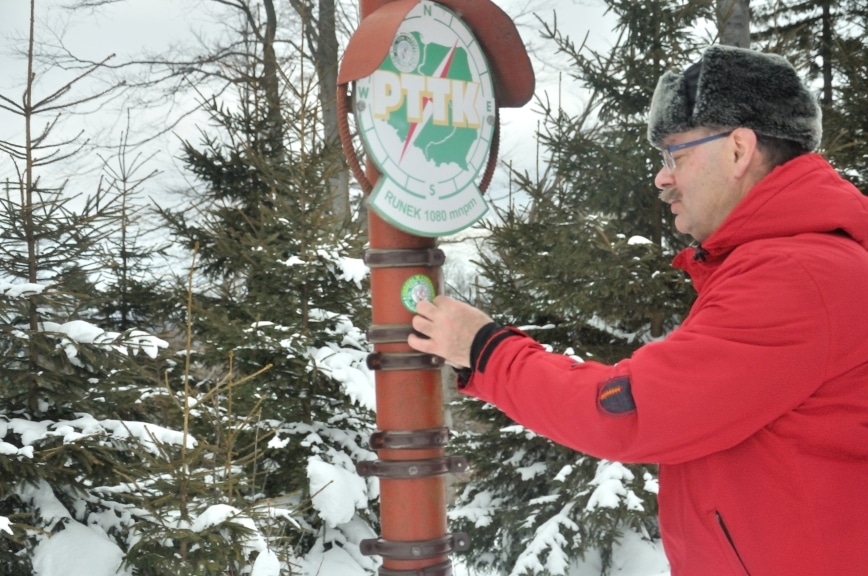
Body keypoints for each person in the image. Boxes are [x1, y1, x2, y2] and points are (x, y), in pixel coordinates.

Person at [407, 44, 868, 576]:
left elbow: (629, 412)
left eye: (675, 155)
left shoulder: (797, 276)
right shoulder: (806, 261)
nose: (662, 178)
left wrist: (486, 350)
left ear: (739, 150)